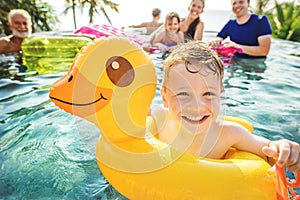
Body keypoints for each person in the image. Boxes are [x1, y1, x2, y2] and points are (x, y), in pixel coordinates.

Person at [151, 40, 300, 172]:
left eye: (208, 94)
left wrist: (284, 149)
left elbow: (269, 150)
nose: (197, 106)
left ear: (220, 95)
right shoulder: (159, 117)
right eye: (183, 94)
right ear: (165, 97)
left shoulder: (229, 134)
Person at [0, 9, 32, 79]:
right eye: (17, 23)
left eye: (25, 23)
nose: (22, 27)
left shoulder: (36, 44)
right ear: (10, 26)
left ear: (30, 25)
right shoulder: (5, 43)